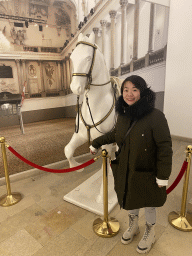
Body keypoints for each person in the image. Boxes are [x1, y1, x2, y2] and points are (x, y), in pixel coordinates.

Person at [90, 75, 172, 254]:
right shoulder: (123, 114)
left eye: (134, 89)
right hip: (127, 168)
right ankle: (133, 225)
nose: (129, 94)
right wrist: (96, 142)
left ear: (142, 92)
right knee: (131, 197)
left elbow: (165, 148)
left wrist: (163, 176)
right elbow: (116, 134)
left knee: (149, 202)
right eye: (126, 90)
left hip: (148, 171)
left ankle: (150, 231)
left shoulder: (156, 116)